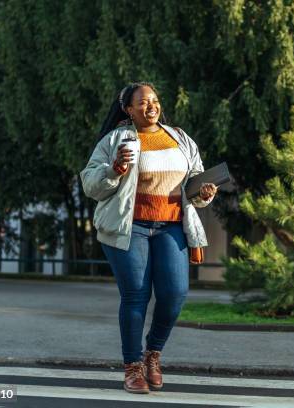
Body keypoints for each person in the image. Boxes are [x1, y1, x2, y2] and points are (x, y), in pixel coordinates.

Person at [80, 82, 217, 394]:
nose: (150, 106)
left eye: (154, 100)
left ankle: (152, 354)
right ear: (129, 109)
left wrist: (204, 193)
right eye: (142, 102)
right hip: (130, 228)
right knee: (136, 295)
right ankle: (132, 367)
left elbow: (195, 181)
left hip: (171, 227)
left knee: (175, 293)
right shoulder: (115, 140)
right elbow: (91, 184)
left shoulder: (179, 138)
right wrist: (114, 170)